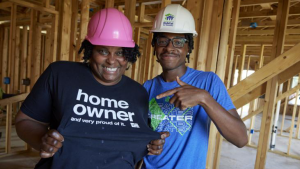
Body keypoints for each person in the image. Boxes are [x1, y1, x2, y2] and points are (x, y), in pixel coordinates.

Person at [15, 8, 169, 169]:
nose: (111, 60)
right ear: (90, 50)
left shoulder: (138, 93)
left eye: (120, 53)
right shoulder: (61, 75)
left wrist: (152, 145)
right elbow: (25, 121)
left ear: (129, 55)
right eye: (103, 51)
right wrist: (42, 141)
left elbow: (135, 140)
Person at [142, 4, 248, 169]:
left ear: (188, 47)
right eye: (163, 40)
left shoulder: (208, 82)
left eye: (178, 41)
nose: (169, 47)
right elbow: (141, 136)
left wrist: (204, 98)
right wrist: (148, 145)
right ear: (155, 45)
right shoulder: (147, 87)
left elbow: (240, 139)